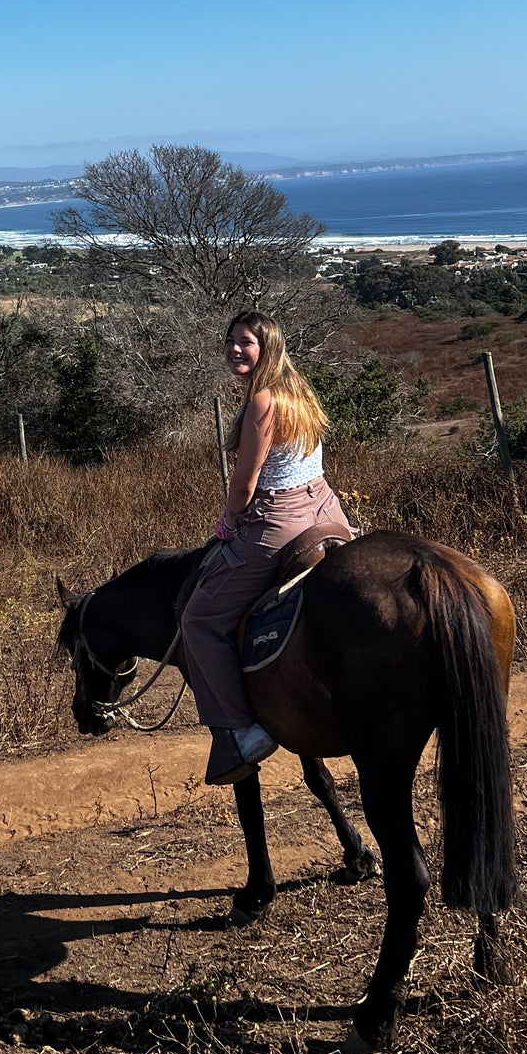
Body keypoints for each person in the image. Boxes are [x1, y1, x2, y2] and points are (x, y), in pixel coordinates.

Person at [181, 311, 353, 786]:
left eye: (247, 343)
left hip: (279, 518)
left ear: (267, 347)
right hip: (327, 508)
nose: (236, 349)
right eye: (231, 341)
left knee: (199, 620)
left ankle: (243, 730)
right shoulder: (300, 389)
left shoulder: (262, 400)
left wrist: (230, 521)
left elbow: (244, 486)